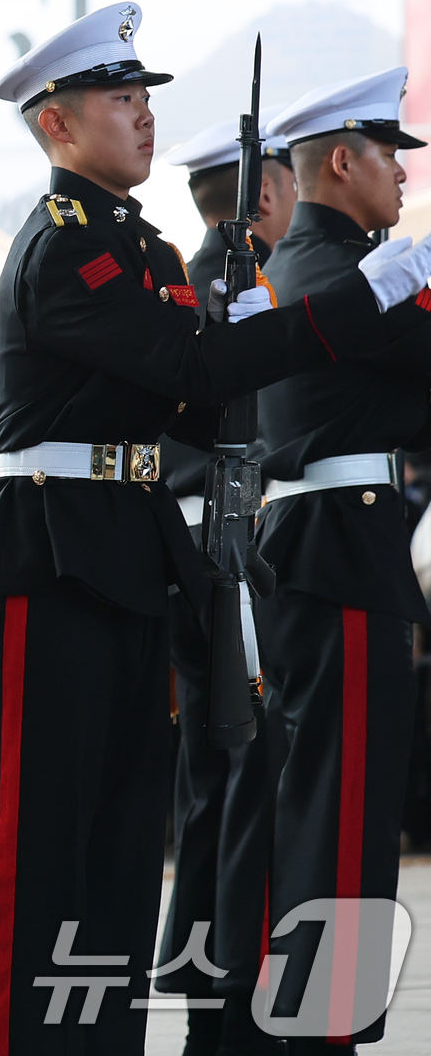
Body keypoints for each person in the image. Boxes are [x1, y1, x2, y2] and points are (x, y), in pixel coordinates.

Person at [0, 4, 431, 1056]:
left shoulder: (139, 245)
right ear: (55, 123)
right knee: (47, 859)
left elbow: (194, 404)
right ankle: (301, 1036)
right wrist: (344, 304)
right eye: (120, 99)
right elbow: (191, 373)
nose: (141, 116)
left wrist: (228, 323)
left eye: (141, 97)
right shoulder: (64, 245)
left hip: (132, 550)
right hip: (56, 548)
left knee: (125, 862)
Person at [252, 69, 431, 1052]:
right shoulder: (336, 273)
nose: (400, 175)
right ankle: (320, 1034)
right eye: (386, 156)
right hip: (338, 551)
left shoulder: (329, 263)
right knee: (343, 814)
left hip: (331, 546)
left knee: (335, 806)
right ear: (337, 162)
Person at [155, 121, 295, 1056]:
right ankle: (231, 1004)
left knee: (218, 776)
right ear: (268, 194)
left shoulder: (210, 272)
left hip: (204, 542)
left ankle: (210, 990)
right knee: (247, 773)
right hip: (225, 545)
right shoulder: (226, 281)